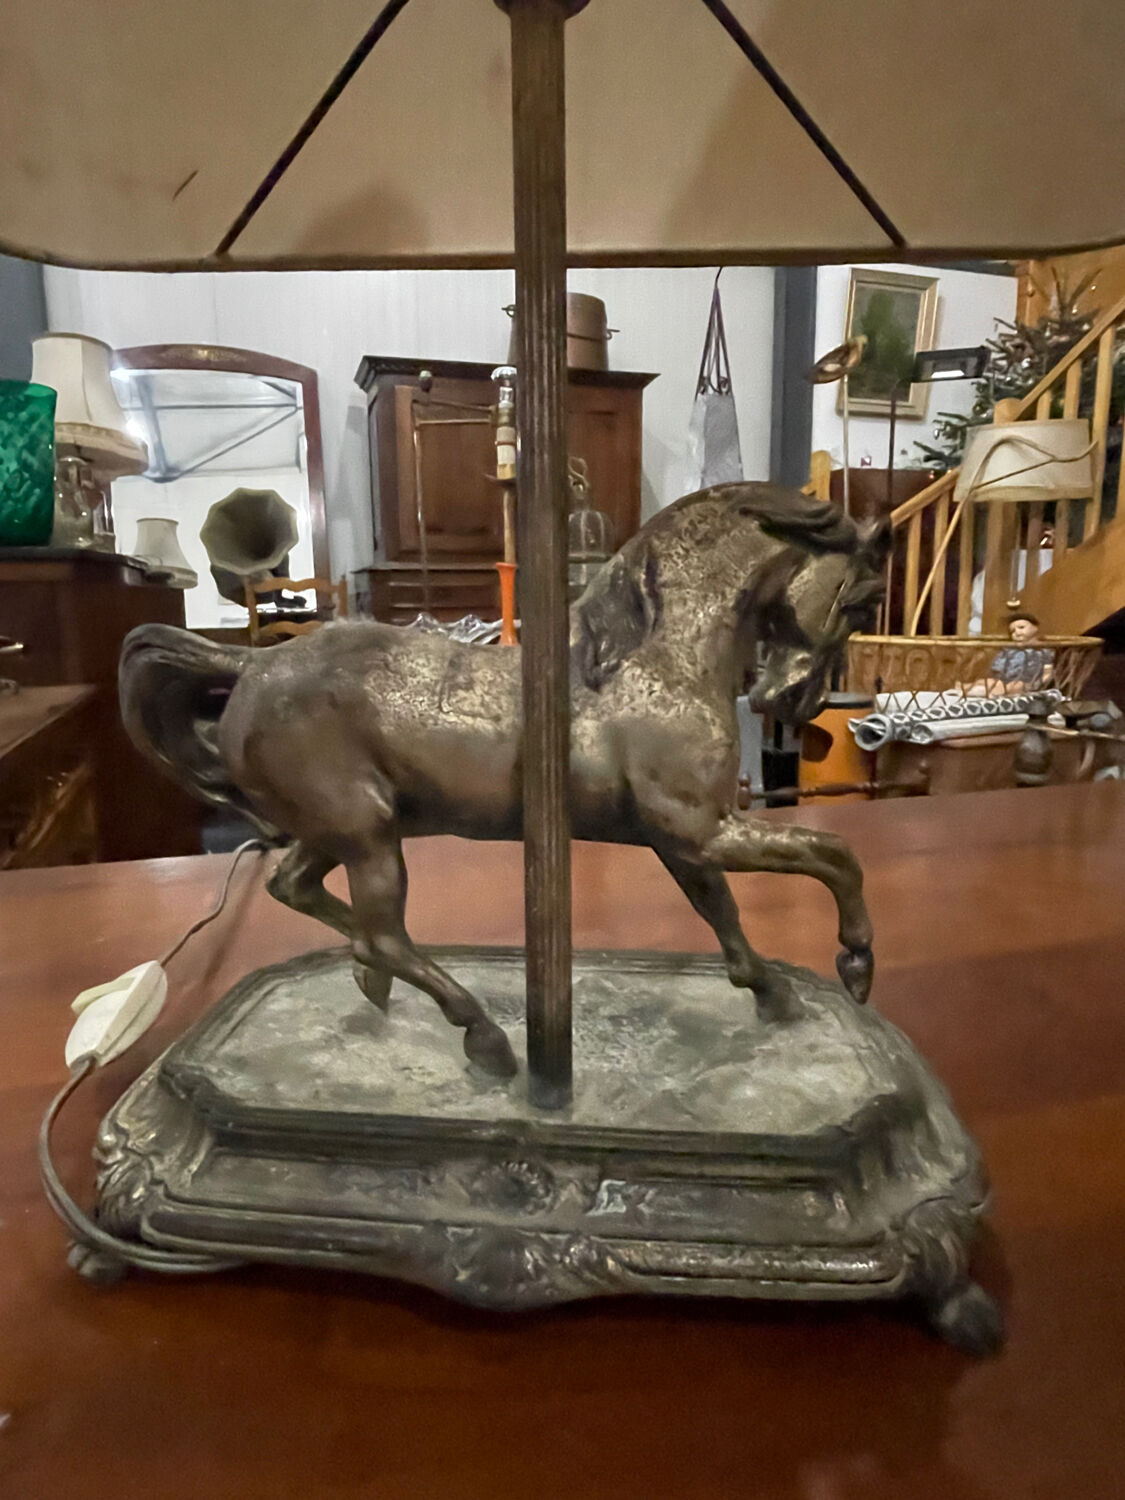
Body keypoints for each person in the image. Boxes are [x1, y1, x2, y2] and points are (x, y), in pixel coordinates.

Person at [967, 611, 1055, 697]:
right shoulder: (1009, 650)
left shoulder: (1043, 651)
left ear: (1035, 628)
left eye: (1021, 627)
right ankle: (966, 688)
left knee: (1015, 685)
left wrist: (1037, 685)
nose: (1017, 633)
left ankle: (996, 692)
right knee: (987, 682)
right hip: (1005, 682)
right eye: (1012, 631)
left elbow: (1047, 674)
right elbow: (997, 670)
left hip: (1028, 683)